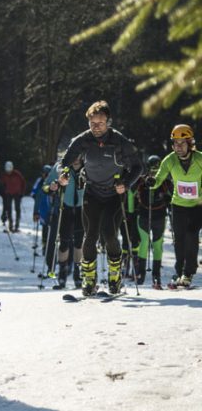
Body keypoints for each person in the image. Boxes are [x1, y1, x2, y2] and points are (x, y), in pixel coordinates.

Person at [56, 101, 142, 296]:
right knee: (90, 235)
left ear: (108, 122)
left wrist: (126, 184)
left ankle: (114, 276)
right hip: (92, 193)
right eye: (92, 123)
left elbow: (138, 167)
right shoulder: (82, 140)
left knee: (110, 234)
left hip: (114, 194)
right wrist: (63, 174)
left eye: (100, 123)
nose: (96, 128)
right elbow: (65, 161)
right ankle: (88, 279)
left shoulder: (119, 141)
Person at [149, 124, 202, 288]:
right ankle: (179, 272)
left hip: (197, 205)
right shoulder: (170, 160)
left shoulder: (200, 159)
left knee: (191, 234)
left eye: (182, 143)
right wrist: (152, 182)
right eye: (175, 143)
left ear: (190, 143)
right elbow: (159, 178)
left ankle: (188, 272)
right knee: (179, 240)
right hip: (178, 205)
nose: (178, 147)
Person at [45, 157, 85, 289]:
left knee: (79, 243)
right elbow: (45, 186)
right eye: (73, 156)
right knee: (64, 243)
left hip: (82, 208)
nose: (75, 159)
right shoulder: (60, 166)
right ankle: (62, 275)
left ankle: (77, 274)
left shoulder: (88, 166)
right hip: (65, 208)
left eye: (78, 156)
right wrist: (51, 187)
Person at [134, 155, 171, 289]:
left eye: (157, 169)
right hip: (144, 215)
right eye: (152, 169)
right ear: (148, 168)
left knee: (157, 244)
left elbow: (173, 197)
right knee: (144, 243)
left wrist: (168, 200)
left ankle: (156, 274)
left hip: (159, 216)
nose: (154, 172)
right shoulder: (141, 181)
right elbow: (131, 195)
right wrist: (130, 212)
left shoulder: (165, 182)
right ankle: (141, 273)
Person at [31, 165, 53, 265]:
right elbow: (34, 194)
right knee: (45, 229)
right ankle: (45, 247)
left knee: (52, 230)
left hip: (53, 210)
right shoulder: (39, 182)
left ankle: (51, 249)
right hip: (43, 209)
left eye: (47, 174)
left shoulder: (54, 181)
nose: (45, 175)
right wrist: (36, 212)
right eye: (44, 173)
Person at [0, 161, 26, 232]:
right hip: (8, 194)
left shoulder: (17, 174)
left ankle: (17, 225)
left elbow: (23, 183)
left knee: (17, 209)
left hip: (17, 193)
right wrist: (3, 192)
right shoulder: (4, 175)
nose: (8, 172)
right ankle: (10, 225)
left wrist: (22, 192)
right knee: (8, 209)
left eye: (10, 171)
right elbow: (1, 184)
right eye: (7, 171)